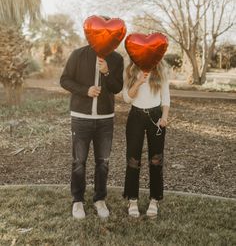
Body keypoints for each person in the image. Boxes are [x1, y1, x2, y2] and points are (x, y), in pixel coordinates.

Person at [60, 41, 123, 220]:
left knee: (103, 162)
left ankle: (99, 199)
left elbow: (117, 87)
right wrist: (85, 91)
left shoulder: (117, 58)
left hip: (105, 119)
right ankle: (77, 200)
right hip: (81, 117)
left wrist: (107, 72)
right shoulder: (78, 54)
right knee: (79, 161)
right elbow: (64, 80)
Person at [123, 59, 170, 218]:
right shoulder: (131, 69)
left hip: (156, 116)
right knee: (133, 159)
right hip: (135, 115)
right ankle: (132, 199)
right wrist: (138, 82)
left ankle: (155, 200)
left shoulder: (160, 69)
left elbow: (166, 96)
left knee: (156, 160)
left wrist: (164, 117)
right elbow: (127, 98)